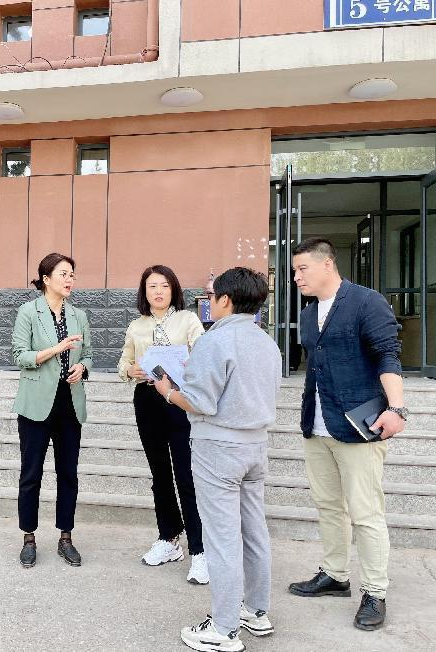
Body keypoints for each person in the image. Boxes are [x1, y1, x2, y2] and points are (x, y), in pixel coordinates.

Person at [155, 267, 281, 652]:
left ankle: (224, 629)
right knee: (254, 532)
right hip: (255, 445)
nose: (209, 302)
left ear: (225, 300)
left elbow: (199, 402)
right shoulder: (267, 342)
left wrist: (167, 391)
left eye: (211, 296)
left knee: (222, 538)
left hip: (219, 449)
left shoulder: (215, 340)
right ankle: (256, 611)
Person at [287, 238, 405, 632]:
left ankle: (375, 591)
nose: (296, 276)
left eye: (302, 268)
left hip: (358, 426)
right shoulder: (308, 314)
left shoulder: (366, 302)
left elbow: (387, 354)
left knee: (366, 512)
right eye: (295, 270)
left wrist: (396, 408)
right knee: (327, 506)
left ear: (327, 264)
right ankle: (335, 575)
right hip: (317, 426)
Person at [117, 265, 208, 584]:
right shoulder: (136, 325)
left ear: (174, 289)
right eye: (152, 286)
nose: (158, 291)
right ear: (144, 291)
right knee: (159, 474)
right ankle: (168, 538)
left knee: (186, 474)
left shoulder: (188, 319)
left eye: (165, 285)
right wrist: (130, 371)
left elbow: (203, 353)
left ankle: (200, 550)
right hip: (147, 400)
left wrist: (187, 364)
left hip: (180, 399)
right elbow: (124, 362)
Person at [12, 253, 93, 568]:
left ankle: (66, 537)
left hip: (69, 403)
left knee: (68, 474)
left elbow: (88, 354)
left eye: (72, 274)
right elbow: (20, 355)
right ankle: (29, 538)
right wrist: (56, 350)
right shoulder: (28, 312)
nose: (69, 279)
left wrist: (82, 369)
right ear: (46, 279)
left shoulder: (78, 315)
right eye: (63, 274)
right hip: (36, 404)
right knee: (31, 473)